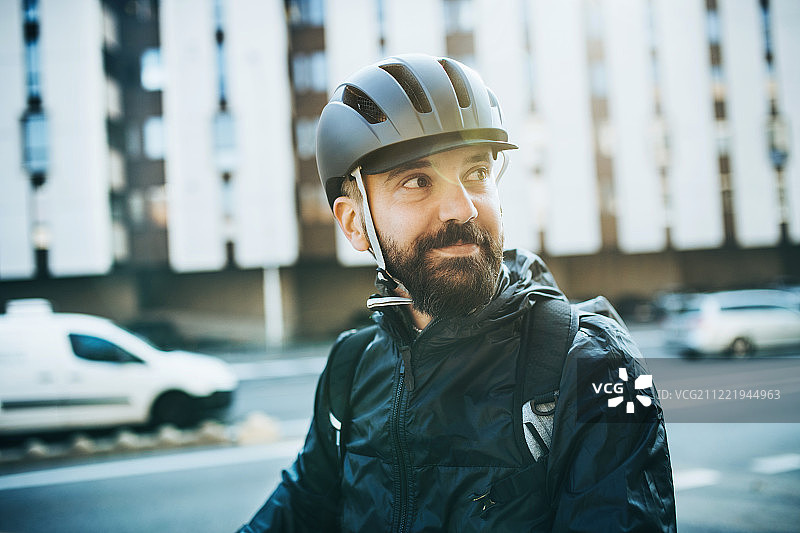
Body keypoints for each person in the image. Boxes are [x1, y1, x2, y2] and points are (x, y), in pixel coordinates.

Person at [239, 54, 676, 532]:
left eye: (476, 173)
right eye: (417, 181)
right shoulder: (350, 367)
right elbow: (298, 510)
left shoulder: (600, 365)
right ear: (354, 223)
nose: (462, 208)